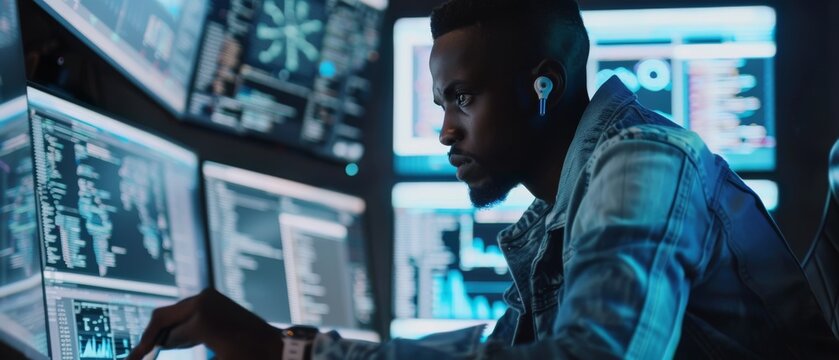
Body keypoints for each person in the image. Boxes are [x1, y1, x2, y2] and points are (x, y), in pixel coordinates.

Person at [128, 0, 839, 358]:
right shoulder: (564, 204)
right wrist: (281, 348)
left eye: (462, 99)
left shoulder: (641, 162)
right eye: (442, 105)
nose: (444, 131)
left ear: (541, 85)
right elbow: (490, 352)